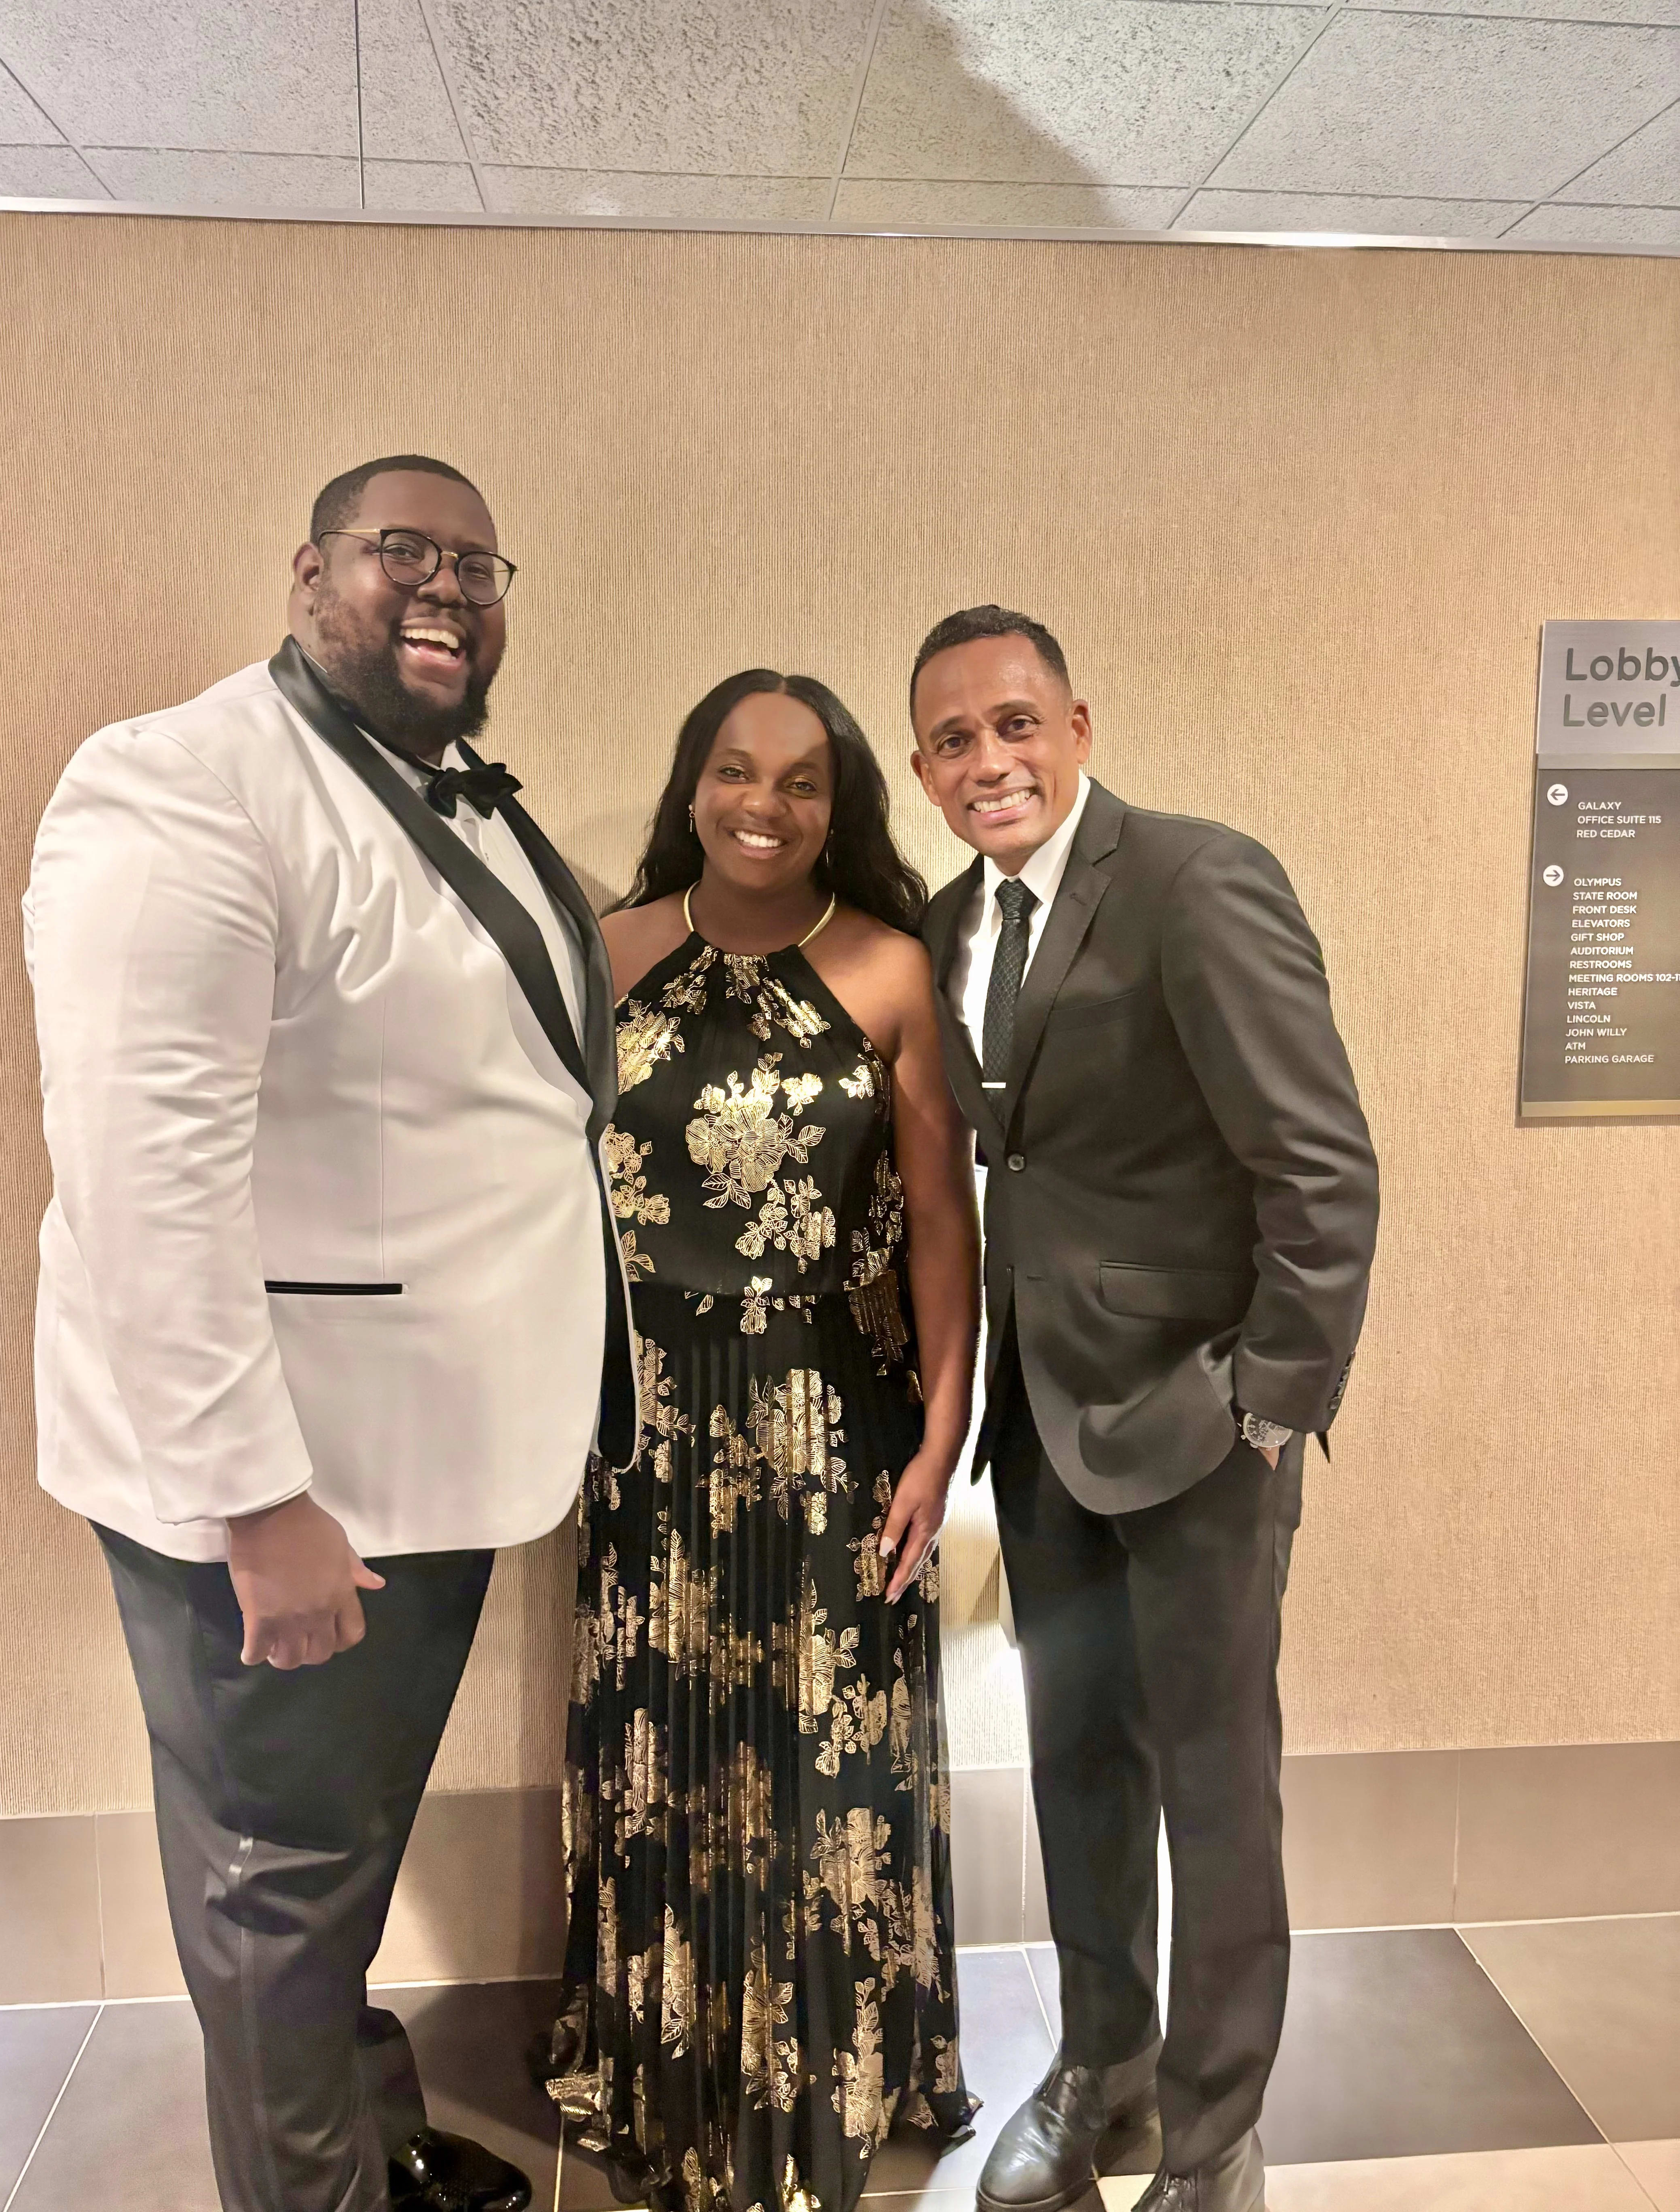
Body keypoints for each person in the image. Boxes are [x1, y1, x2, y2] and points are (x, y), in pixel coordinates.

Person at [24, 454, 633, 2212]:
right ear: (310, 576)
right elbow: (144, 1177)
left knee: (337, 1861)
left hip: (424, 1457)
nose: (446, 589)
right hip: (296, 1484)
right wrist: (254, 1500)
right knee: (278, 1896)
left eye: (477, 566)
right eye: (401, 553)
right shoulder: (183, 785)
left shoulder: (450, 794)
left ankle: (369, 2139)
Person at [908, 607, 1378, 2212]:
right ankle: (1103, 2067)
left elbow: (1318, 1162)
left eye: (1013, 724)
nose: (989, 761)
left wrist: (1273, 1400)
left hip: (1199, 1427)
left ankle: (1214, 2128)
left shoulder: (1193, 880)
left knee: (1215, 1790)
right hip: (1043, 1431)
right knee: (1078, 1764)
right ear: (925, 772)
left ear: (1077, 727)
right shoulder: (949, 923)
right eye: (954, 741)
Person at [544, 670, 982, 2212]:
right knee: (662, 1752)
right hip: (646, 1427)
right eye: (736, 770)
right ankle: (661, 2067)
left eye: (802, 781)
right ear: (691, 785)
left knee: (824, 1763)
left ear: (837, 808)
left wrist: (942, 1436)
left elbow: (939, 1222)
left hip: (834, 1422)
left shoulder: (888, 969)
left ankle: (834, 2074)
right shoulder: (605, 957)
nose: (763, 805)